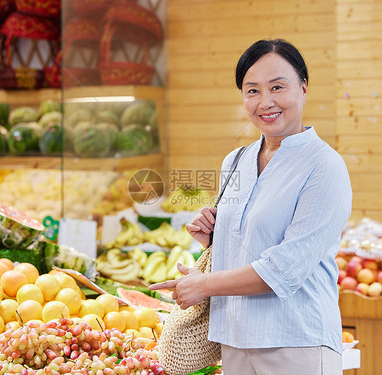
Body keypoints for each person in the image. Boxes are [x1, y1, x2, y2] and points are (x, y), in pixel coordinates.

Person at [149, 39, 352, 375]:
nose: (265, 102)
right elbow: (250, 242)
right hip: (234, 342)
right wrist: (214, 237)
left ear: (303, 88)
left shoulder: (324, 166)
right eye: (252, 90)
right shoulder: (236, 161)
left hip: (296, 344)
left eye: (277, 87)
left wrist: (204, 285)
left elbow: (285, 268)